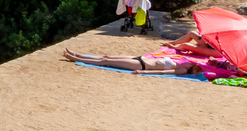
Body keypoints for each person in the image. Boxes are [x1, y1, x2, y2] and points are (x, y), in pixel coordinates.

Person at [62, 48, 204, 75]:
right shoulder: (186, 64)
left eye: (196, 68)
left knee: (105, 62)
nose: (193, 65)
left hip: (141, 64)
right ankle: (77, 54)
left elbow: (163, 71)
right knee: (107, 57)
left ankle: (76, 58)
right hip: (140, 58)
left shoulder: (183, 70)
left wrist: (141, 72)